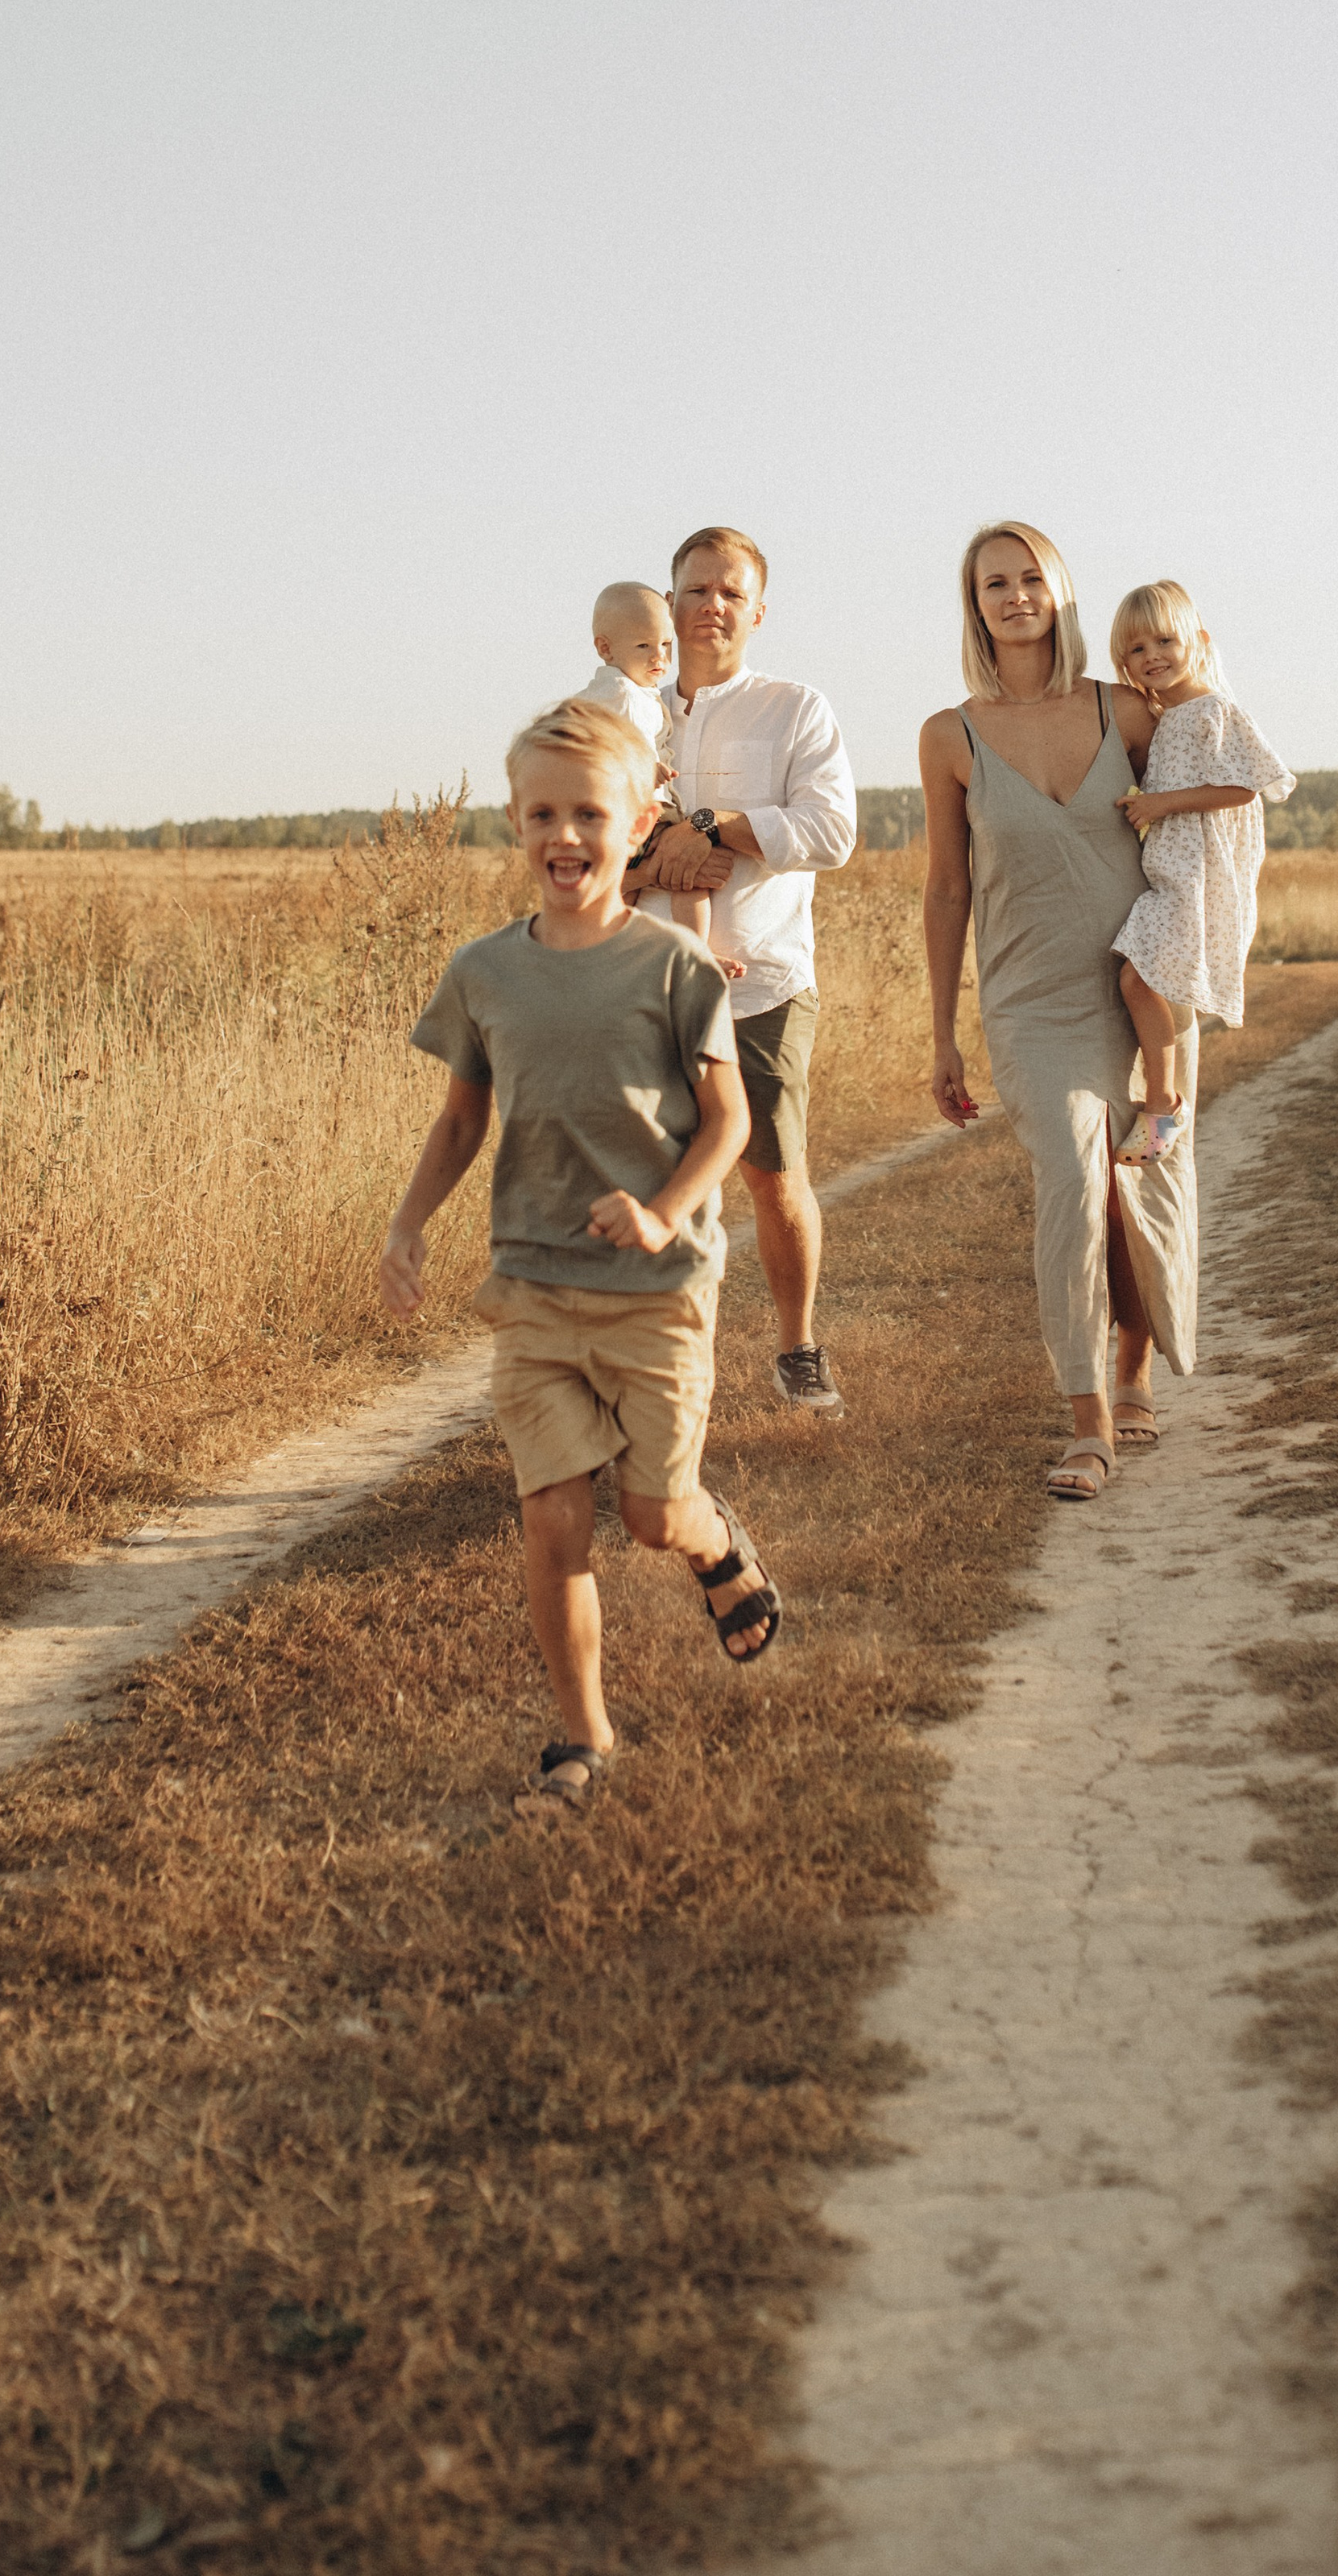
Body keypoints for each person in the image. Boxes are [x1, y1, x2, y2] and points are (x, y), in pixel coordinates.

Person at [379, 696, 784, 1821]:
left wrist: (661, 1213)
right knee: (552, 1519)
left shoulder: (676, 966)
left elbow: (728, 1124)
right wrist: (407, 1225)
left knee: (651, 1514)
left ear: (641, 822)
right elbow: (461, 1119)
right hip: (535, 1288)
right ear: (515, 821)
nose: (565, 836)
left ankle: (711, 1540)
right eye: (542, 814)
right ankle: (581, 1736)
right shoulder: (484, 973)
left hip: (657, 1290)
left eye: (590, 815)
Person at [918, 523, 1195, 1503]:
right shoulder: (949, 735)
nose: (1014, 595)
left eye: (1031, 576)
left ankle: (1133, 1369)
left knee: (1134, 1191)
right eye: (993, 582)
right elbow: (946, 887)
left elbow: (1209, 803)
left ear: (1061, 590)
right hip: (1028, 999)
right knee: (1076, 1180)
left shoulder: (1127, 709)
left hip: (1139, 984)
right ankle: (1087, 1421)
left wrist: (1199, 951)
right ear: (974, 604)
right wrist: (943, 1032)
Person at [627, 526, 857, 1419]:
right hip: (642, 984)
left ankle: (798, 1347)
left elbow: (830, 832)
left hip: (761, 983)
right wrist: (655, 865)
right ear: (669, 601)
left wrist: (715, 826)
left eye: (731, 593)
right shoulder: (628, 713)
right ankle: (661, 1367)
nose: (711, 606)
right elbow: (576, 841)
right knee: (653, 1180)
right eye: (696, 589)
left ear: (758, 612)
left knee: (771, 1174)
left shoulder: (795, 709)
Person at [1108, 580, 1295, 1163]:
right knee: (1140, 979)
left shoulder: (1214, 709)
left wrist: (1162, 804)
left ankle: (1163, 1104)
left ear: (1199, 640)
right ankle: (1162, 1098)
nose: (1152, 656)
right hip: (1171, 871)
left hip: (1198, 879)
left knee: (1137, 980)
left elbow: (1245, 788)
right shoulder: (1164, 717)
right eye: (1137, 649)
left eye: (1165, 641)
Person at [576, 580, 742, 978]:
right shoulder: (620, 694)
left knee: (623, 890)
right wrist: (639, 766)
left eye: (666, 645)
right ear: (605, 648)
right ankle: (697, 953)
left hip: (626, 815)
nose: (659, 657)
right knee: (688, 876)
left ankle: (606, 955)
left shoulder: (629, 690)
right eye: (643, 646)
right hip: (638, 810)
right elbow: (592, 747)